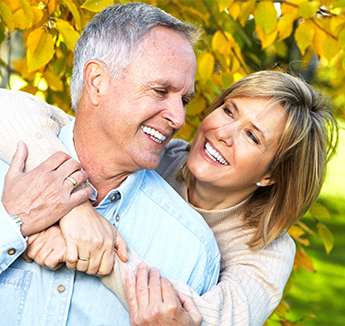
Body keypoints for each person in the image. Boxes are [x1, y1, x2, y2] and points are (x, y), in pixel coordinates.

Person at [0, 70, 338, 325]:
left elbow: (196, 319)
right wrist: (73, 210)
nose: (223, 133)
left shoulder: (267, 249)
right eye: (229, 111)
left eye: (252, 136)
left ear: (270, 175)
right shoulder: (155, 153)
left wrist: (86, 246)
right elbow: (14, 110)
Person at [0, 3, 222, 325]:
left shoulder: (192, 249)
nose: (179, 118)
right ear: (97, 81)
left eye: (184, 100)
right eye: (161, 91)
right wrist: (13, 225)